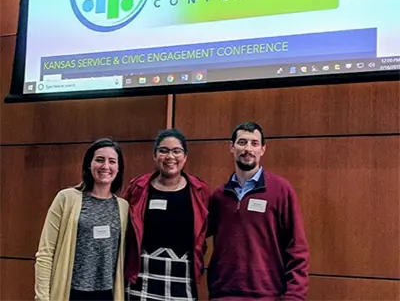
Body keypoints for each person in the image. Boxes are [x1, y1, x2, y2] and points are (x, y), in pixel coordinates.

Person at [207, 122, 310, 301]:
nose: (248, 149)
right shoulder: (219, 196)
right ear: (231, 147)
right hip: (223, 295)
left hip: (268, 296)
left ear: (263, 149)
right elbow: (195, 236)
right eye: (242, 142)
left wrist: (295, 297)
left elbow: (297, 249)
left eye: (254, 143)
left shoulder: (280, 190)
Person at [34, 138, 129, 301]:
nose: (105, 166)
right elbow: (45, 253)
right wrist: (42, 297)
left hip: (107, 294)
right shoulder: (66, 198)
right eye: (99, 160)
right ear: (89, 164)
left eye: (112, 161)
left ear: (118, 168)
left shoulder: (123, 207)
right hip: (71, 293)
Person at [123, 128, 210, 301]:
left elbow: (206, 230)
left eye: (176, 151)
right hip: (142, 276)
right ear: (155, 156)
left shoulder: (200, 191)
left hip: (182, 277)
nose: (170, 157)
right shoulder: (138, 188)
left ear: (185, 157)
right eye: (163, 151)